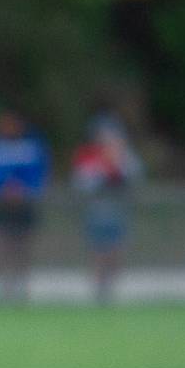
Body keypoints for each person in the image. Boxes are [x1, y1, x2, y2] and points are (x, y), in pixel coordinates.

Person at [70, 114, 143, 304]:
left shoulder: (125, 157)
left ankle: (111, 288)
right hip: (96, 211)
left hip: (118, 211)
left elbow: (135, 177)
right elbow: (82, 183)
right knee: (98, 250)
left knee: (116, 249)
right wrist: (104, 173)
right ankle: (99, 289)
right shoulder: (89, 158)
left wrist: (117, 167)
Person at [0, 108, 49, 303]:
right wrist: (1, 188)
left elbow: (40, 173)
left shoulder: (32, 145)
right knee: (0, 246)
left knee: (23, 246)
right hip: (0, 204)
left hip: (25, 204)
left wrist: (24, 189)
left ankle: (21, 288)